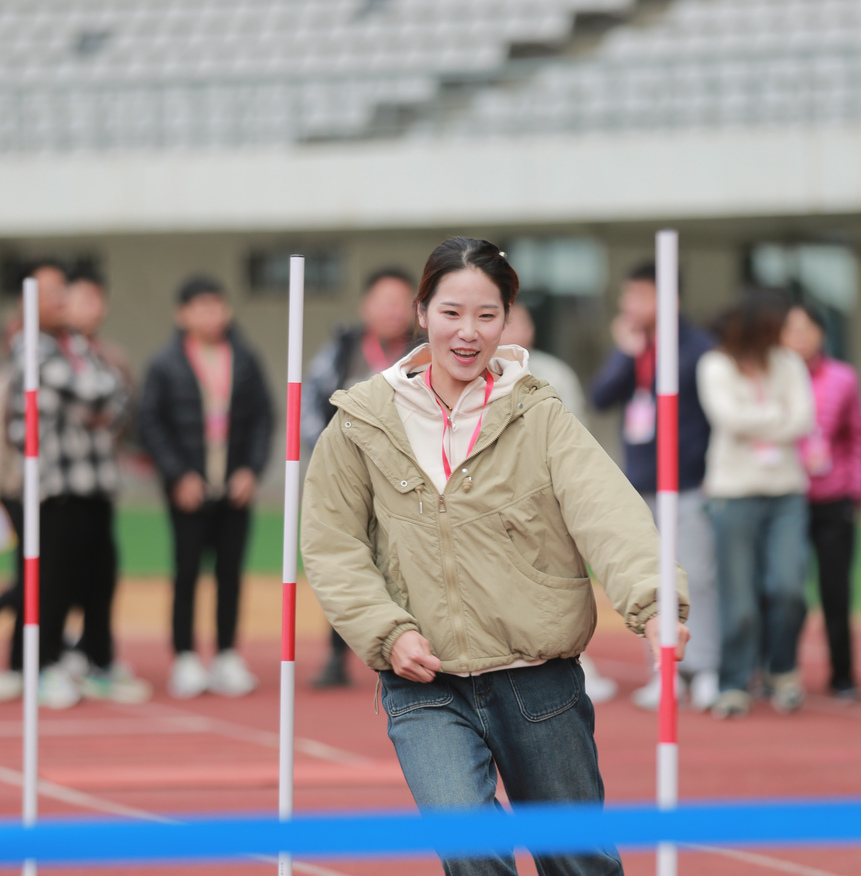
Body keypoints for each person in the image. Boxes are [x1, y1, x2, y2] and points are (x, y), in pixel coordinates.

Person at [300, 237, 689, 876]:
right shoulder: (360, 423)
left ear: (507, 320)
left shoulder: (540, 416)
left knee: (578, 861)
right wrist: (386, 632)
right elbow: (332, 545)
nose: (468, 332)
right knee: (471, 852)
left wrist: (653, 601)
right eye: (452, 312)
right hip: (423, 682)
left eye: (487, 315)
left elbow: (608, 513)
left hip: (537, 678)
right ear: (421, 312)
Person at [6, 259, 145, 708]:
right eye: (49, 292)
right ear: (28, 299)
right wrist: (94, 400)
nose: (60, 299)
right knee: (53, 581)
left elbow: (118, 398)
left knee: (101, 577)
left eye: (62, 290)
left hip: (98, 482)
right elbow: (89, 393)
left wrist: (94, 403)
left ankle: (96, 662)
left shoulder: (79, 345)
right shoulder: (30, 347)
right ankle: (43, 665)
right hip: (57, 486)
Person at [590, 260, 719, 711]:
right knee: (652, 580)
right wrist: (626, 352)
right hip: (640, 483)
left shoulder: (699, 348)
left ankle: (702, 668)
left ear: (671, 299)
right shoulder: (634, 349)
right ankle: (663, 673)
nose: (631, 306)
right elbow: (600, 396)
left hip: (687, 482)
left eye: (641, 296)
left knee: (697, 577)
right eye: (629, 297)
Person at [139, 275, 274, 699]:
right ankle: (184, 657)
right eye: (200, 307)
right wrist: (178, 475)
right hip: (188, 490)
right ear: (182, 314)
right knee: (186, 573)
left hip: (234, 487)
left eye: (217, 306)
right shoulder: (165, 363)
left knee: (230, 573)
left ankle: (227, 655)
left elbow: (262, 419)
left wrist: (251, 470)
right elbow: (151, 425)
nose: (211, 315)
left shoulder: (245, 359)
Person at [697, 293, 814, 719]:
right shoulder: (716, 365)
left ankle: (782, 669)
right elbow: (728, 419)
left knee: (789, 588)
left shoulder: (789, 364)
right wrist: (776, 415)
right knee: (740, 598)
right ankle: (734, 681)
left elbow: (804, 418)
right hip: (733, 493)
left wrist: (758, 418)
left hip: (787, 492)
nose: (786, 335)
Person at [300, 266, 417, 689]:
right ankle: (338, 655)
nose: (391, 310)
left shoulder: (424, 353)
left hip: (412, 483)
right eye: (382, 301)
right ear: (365, 307)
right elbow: (310, 407)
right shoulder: (340, 352)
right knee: (348, 562)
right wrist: (328, 461)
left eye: (400, 302)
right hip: (352, 480)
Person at [500, 301, 618, 703]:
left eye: (524, 320)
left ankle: (576, 661)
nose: (518, 329)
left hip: (548, 494)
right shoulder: (471, 376)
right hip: (497, 499)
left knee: (560, 579)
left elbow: (575, 434)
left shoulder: (554, 373)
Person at [782, 301, 861, 700]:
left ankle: (843, 674)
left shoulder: (843, 378)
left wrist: (855, 488)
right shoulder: (774, 378)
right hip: (786, 498)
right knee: (786, 591)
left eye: (807, 328)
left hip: (834, 499)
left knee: (836, 591)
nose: (800, 337)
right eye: (791, 329)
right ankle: (782, 669)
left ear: (822, 333)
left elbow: (857, 436)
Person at [0, 315, 24, 703]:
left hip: (45, 493)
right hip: (11, 491)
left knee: (40, 576)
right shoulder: (3, 386)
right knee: (32, 576)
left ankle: (25, 656)